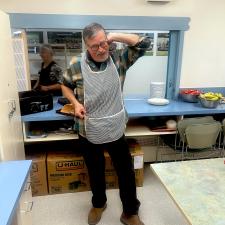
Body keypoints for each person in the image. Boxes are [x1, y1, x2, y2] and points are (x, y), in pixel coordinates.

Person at [61, 23, 150, 225]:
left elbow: (145, 44)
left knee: (126, 171)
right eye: (95, 46)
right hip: (88, 127)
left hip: (115, 126)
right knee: (95, 169)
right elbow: (65, 85)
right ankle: (99, 204)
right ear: (86, 46)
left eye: (104, 44)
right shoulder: (76, 64)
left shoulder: (119, 59)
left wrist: (115, 36)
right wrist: (75, 103)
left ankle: (130, 212)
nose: (101, 49)